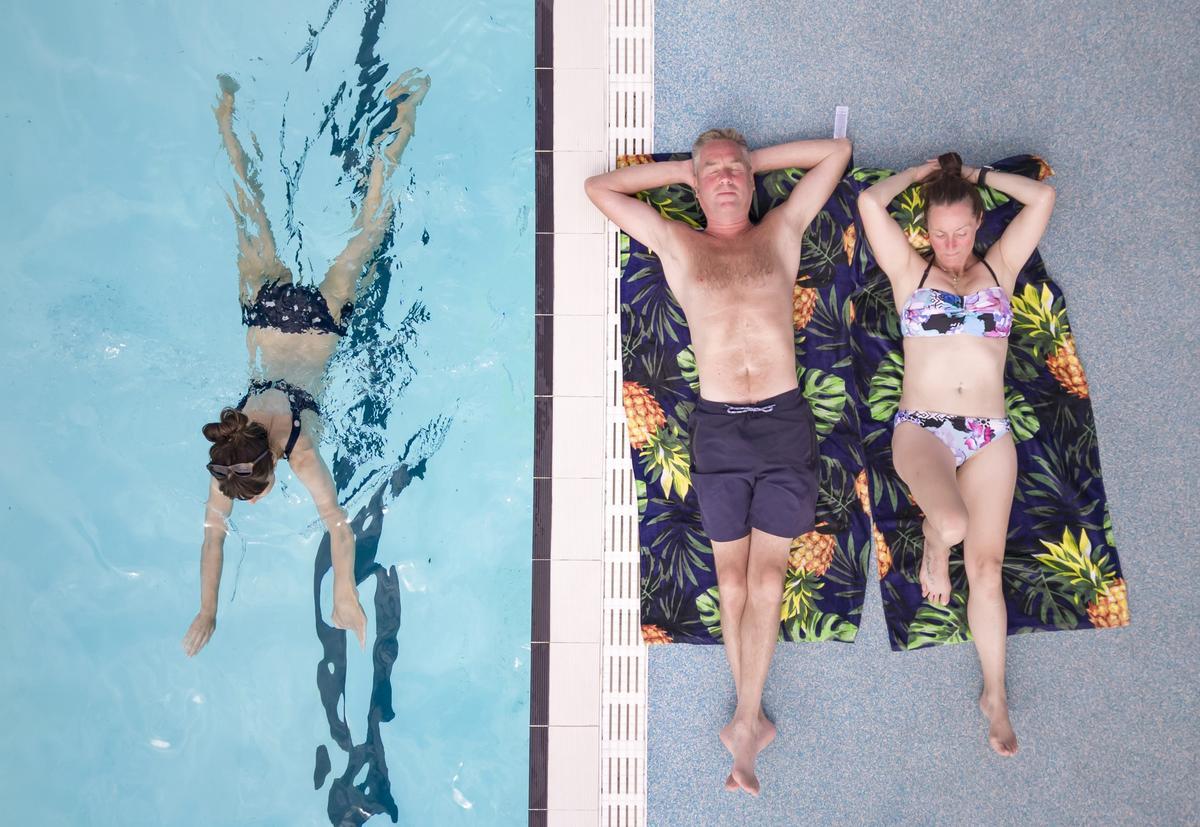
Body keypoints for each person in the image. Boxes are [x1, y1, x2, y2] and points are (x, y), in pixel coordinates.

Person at [586, 129, 851, 794]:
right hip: (720, 432)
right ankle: (749, 718)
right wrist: (687, 166)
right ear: (695, 186)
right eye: (714, 172)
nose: (727, 178)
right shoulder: (681, 244)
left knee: (766, 584)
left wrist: (750, 160)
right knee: (733, 587)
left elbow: (836, 155)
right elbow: (599, 189)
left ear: (755, 180)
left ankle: (744, 719)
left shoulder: (781, 231)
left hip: (785, 425)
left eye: (738, 169)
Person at [181, 70, 430, 657]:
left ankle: (406, 112)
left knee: (373, 222)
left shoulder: (300, 453)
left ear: (271, 477)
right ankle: (226, 118)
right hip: (264, 313)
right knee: (249, 202)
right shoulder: (231, 452)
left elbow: (336, 524)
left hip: (321, 324)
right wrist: (206, 608)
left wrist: (345, 589)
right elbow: (212, 537)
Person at [857, 152, 1055, 756]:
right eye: (939, 233)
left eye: (961, 231)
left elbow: (1043, 198)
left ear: (976, 225)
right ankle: (934, 548)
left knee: (989, 570)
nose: (949, 243)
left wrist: (980, 178)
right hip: (924, 428)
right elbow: (869, 203)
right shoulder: (910, 275)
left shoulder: (1001, 269)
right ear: (925, 230)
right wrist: (919, 175)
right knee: (951, 523)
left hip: (989, 433)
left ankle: (994, 695)